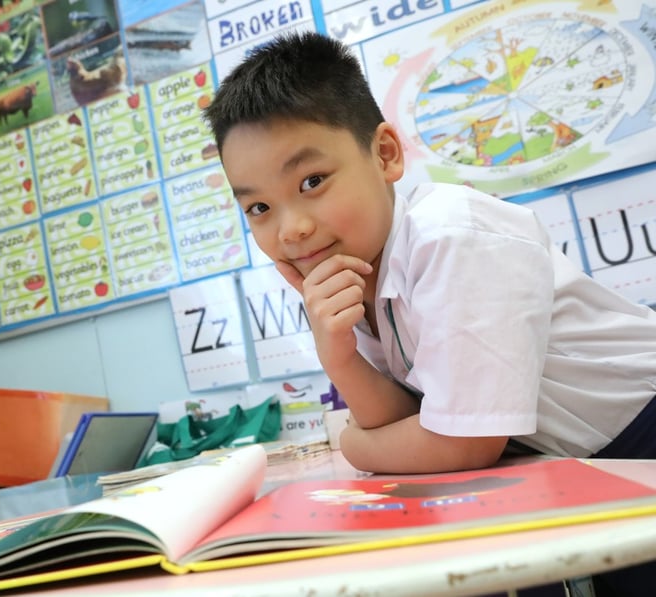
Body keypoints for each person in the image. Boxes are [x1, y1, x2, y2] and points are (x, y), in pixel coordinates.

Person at [203, 31, 656, 595]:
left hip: (642, 435)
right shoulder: (360, 268)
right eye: (259, 207)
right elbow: (403, 418)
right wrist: (338, 355)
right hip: (581, 469)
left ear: (386, 154)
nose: (289, 227)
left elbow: (462, 445)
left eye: (312, 181)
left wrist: (350, 442)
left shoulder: (449, 236)